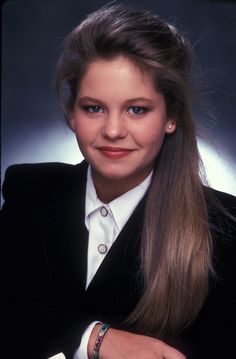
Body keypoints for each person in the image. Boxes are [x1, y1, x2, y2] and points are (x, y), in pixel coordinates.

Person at [1, 4, 236, 359]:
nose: (112, 130)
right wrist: (94, 338)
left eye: (136, 109)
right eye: (94, 108)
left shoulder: (225, 229)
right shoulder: (29, 190)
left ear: (171, 116)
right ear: (71, 113)